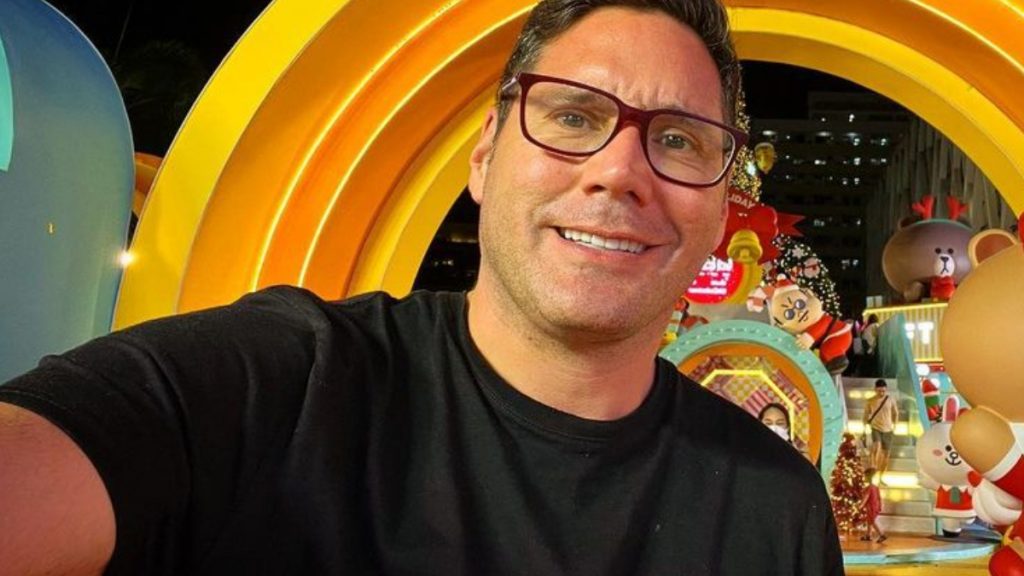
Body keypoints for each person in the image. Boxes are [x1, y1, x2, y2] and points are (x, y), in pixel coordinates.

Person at [0, 1, 844, 574]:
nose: (619, 171)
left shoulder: (775, 509)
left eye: (680, 140)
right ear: (485, 155)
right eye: (573, 116)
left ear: (720, 207)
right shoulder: (280, 387)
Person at [863, 379, 899, 475]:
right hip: (876, 428)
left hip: (888, 429)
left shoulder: (891, 399)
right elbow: (866, 415)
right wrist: (864, 426)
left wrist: (895, 424)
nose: (881, 393)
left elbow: (895, 413)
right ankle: (873, 468)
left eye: (883, 391)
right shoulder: (870, 401)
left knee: (886, 454)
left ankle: (881, 475)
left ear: (886, 389)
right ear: (875, 389)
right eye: (879, 391)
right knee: (877, 446)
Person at [858, 468, 887, 544]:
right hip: (875, 506)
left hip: (871, 507)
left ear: (868, 477)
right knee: (869, 521)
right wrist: (880, 505)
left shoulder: (869, 488)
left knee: (872, 521)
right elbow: (879, 497)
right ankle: (868, 535)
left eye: (865, 477)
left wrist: (860, 505)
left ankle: (881, 534)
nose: (864, 478)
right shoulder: (875, 487)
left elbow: (866, 498)